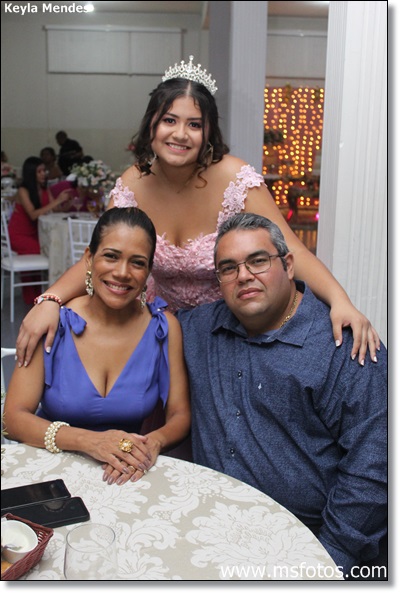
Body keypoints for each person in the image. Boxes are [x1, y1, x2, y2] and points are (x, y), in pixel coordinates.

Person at [15, 56, 380, 366]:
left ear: (208, 133)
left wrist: (341, 301)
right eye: (169, 120)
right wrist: (49, 300)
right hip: (156, 329)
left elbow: (292, 250)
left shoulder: (235, 178)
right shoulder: (133, 183)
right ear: (152, 125)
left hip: (229, 330)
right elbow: (100, 258)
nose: (180, 134)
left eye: (194, 124)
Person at [177, 213, 387, 579]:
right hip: (215, 531)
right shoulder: (198, 329)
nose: (244, 275)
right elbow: (127, 320)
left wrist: (325, 560)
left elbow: (374, 467)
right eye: (228, 268)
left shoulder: (346, 347)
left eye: (258, 261)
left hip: (310, 542)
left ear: (288, 265)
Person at [4, 207, 190, 486]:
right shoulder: (53, 323)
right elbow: (13, 418)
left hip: (123, 476)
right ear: (89, 258)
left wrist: (153, 442)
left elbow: (180, 414)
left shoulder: (164, 328)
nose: (122, 273)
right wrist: (89, 442)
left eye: (137, 263)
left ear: (149, 271)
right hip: (49, 472)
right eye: (111, 256)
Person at [7, 156, 73, 303]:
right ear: (32, 173)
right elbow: (33, 214)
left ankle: (42, 293)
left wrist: (66, 203)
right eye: (40, 171)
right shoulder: (23, 191)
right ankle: (36, 296)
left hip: (35, 234)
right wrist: (57, 200)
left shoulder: (44, 189)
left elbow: (55, 210)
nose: (44, 174)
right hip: (19, 235)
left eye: (44, 170)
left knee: (49, 250)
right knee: (47, 252)